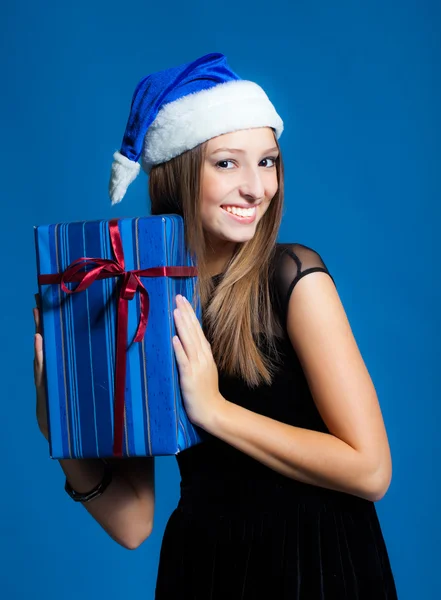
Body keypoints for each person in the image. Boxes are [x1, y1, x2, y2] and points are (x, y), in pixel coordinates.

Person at [33, 52, 398, 598]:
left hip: (317, 566)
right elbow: (133, 525)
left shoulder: (293, 278)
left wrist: (216, 412)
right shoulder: (136, 296)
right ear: (180, 170)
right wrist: (56, 426)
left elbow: (371, 471)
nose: (256, 187)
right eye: (228, 163)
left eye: (268, 162)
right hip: (204, 570)